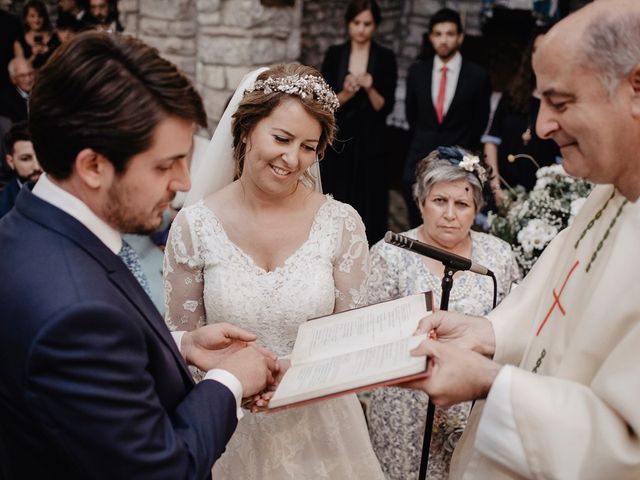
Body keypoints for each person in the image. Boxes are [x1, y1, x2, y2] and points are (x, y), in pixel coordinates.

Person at [0, 31, 278, 479]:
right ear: (93, 166)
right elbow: (163, 469)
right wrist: (231, 381)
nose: (185, 182)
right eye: (165, 164)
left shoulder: (23, 231)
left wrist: (180, 345)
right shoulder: (74, 314)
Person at [407, 2, 640, 478]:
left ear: (637, 87)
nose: (541, 126)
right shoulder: (610, 194)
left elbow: (627, 448)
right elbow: (552, 302)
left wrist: (495, 384)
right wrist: (487, 332)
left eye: (561, 102)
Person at [164, 63, 385, 479]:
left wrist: (301, 379)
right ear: (246, 128)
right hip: (227, 432)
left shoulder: (341, 223)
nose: (292, 158)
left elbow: (357, 343)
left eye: (308, 146)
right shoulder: (194, 226)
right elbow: (182, 348)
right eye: (281, 138)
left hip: (322, 437)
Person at [367, 146, 520, 480]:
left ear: (476, 208)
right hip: (403, 411)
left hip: (471, 409)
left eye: (462, 204)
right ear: (420, 201)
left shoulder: (499, 257)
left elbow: (515, 331)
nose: (450, 214)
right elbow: (370, 337)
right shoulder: (390, 254)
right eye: (439, 201)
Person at [404, 8, 491, 227]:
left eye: (450, 34)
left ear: (460, 37)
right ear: (431, 37)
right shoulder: (417, 72)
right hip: (419, 158)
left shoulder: (477, 76)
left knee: (452, 222)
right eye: (438, 34)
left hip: (459, 161)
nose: (444, 40)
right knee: (417, 222)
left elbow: (480, 121)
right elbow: (411, 115)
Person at [320, 0, 397, 244]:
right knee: (338, 192)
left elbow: (386, 106)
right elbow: (325, 103)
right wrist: (347, 93)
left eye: (367, 23)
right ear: (348, 24)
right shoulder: (335, 55)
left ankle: (369, 245)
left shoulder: (385, 57)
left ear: (375, 26)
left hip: (372, 141)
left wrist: (370, 87)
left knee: (370, 197)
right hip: (340, 140)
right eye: (357, 23)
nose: (361, 29)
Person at [483, 25, 560, 203]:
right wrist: (495, 187)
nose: (539, 57)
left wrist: (541, 200)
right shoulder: (511, 96)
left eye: (546, 50)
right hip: (500, 194)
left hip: (538, 202)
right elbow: (491, 142)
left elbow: (560, 163)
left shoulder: (562, 103)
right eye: (535, 50)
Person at [0, 121, 41, 217]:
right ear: (10, 162)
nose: (37, 167)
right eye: (25, 159)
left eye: (41, 157)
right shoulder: (3, 207)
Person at [14, 0, 59, 70]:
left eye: (40, 16)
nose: (36, 20)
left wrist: (50, 53)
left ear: (44, 18)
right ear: (26, 19)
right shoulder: (19, 42)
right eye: (32, 16)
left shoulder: (56, 37)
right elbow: (21, 70)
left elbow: (62, 64)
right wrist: (33, 56)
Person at [0, 57, 34, 123]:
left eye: (30, 74)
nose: (28, 79)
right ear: (13, 79)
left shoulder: (44, 93)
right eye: (22, 76)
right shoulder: (5, 101)